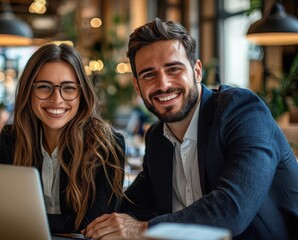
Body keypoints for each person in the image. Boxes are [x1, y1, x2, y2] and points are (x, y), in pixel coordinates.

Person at [84, 18, 298, 240]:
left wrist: (142, 229)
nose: (163, 84)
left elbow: (232, 209)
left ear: (197, 71)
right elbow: (126, 210)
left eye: (173, 69)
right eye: (149, 75)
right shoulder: (158, 139)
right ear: (137, 86)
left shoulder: (242, 112)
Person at [0, 43, 126, 233]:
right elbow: (0, 209)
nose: (56, 99)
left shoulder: (106, 144)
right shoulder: (11, 138)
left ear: (81, 93)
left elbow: (96, 224)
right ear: (29, 91)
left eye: (69, 88)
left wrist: (21, 221)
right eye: (44, 87)